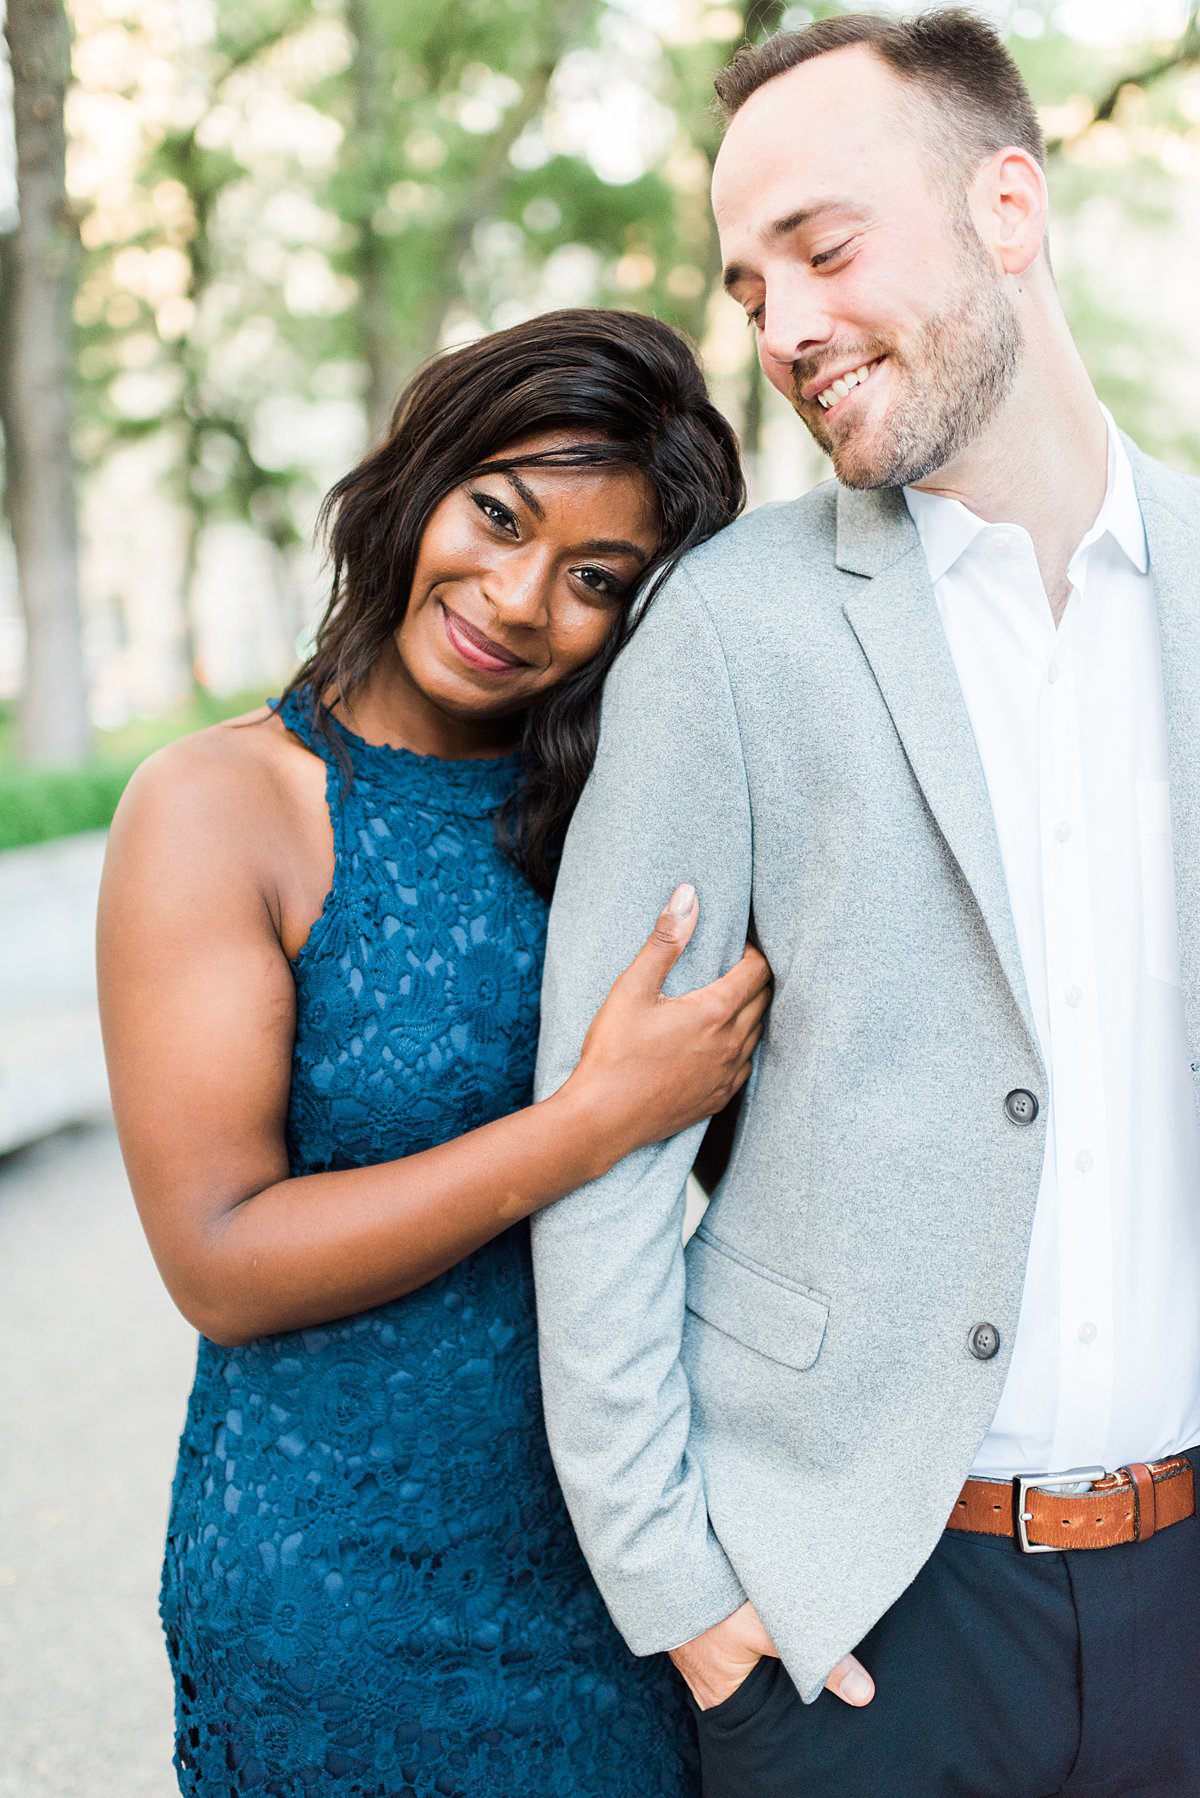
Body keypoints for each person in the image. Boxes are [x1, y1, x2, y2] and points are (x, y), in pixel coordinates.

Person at [530, 13, 1200, 1796]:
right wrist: (685, 1596)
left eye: (824, 250)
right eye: (753, 289)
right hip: (860, 1633)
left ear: (1007, 207)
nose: (789, 327)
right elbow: (594, 1146)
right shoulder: (732, 630)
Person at [96, 307, 769, 1798]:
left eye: (597, 579)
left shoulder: (631, 816)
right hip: (329, 1587)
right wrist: (587, 1125)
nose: (519, 597)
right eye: (499, 514)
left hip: (616, 1576)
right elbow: (220, 1254)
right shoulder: (221, 808)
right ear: (421, 477)